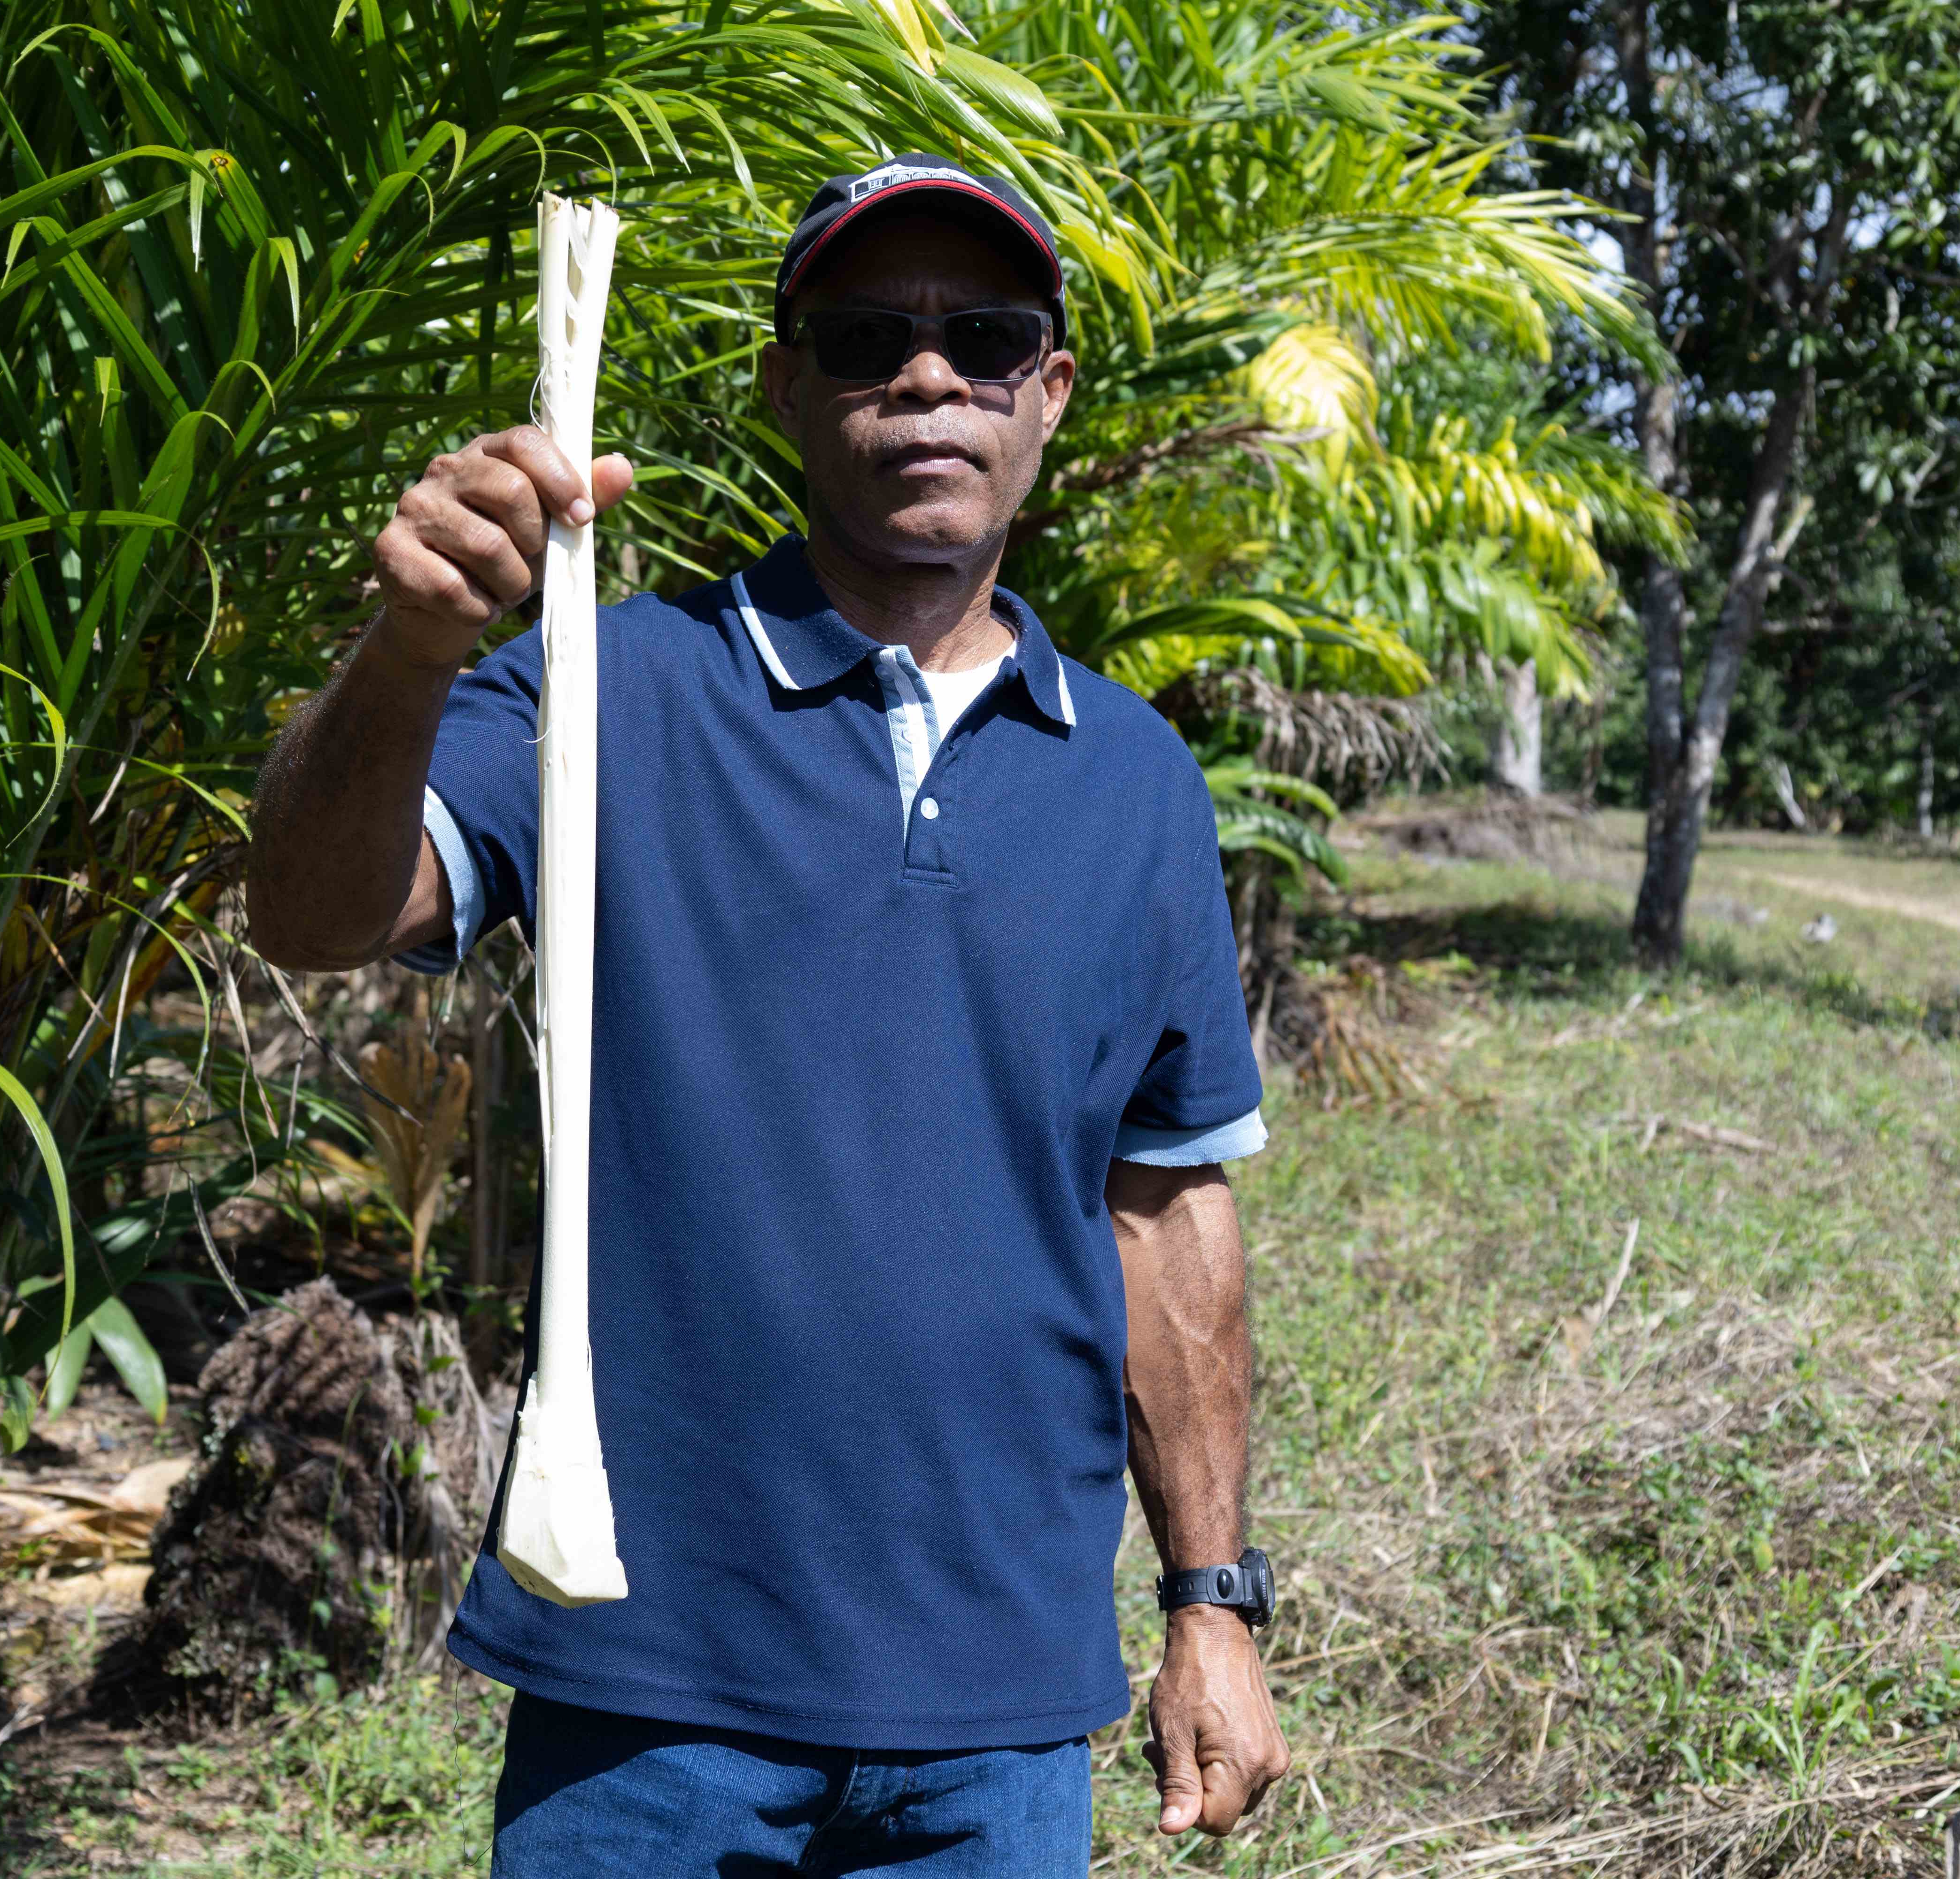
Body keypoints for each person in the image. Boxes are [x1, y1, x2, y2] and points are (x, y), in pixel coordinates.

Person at [246, 155, 1290, 1876]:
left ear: (1051, 388)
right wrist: (414, 649)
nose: (930, 375)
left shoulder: (1140, 784)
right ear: (787, 382)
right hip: (648, 1695)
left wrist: (1211, 1604)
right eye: (871, 335)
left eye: (985, 334)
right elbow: (313, 914)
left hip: (1002, 1715)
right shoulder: (609, 684)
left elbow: (1166, 1214)